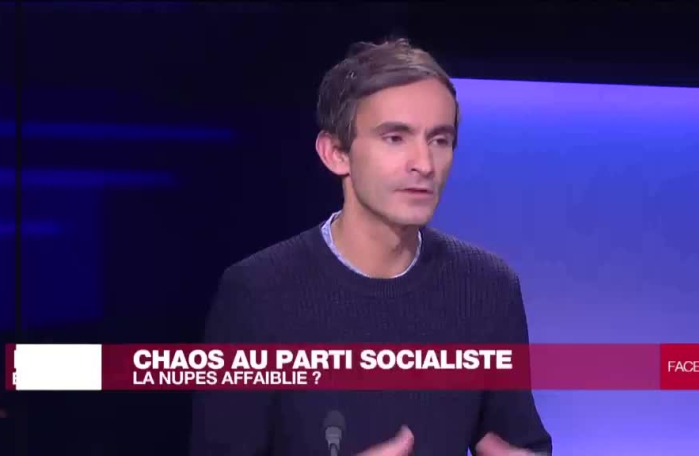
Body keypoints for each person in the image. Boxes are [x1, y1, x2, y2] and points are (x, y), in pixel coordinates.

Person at [190, 38, 552, 456]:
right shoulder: (257, 294)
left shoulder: (487, 288)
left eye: (440, 140)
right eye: (395, 138)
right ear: (336, 153)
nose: (424, 164)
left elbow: (520, 443)